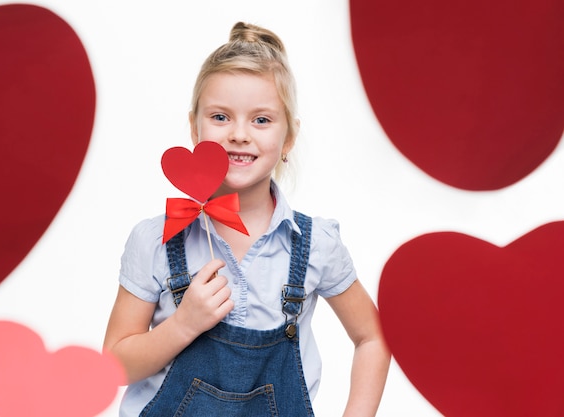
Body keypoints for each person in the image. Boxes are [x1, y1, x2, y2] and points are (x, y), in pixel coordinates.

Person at [103, 21, 390, 417]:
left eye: (261, 120)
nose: (239, 134)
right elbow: (113, 364)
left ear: (289, 137)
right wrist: (183, 325)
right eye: (220, 117)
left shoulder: (315, 244)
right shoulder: (156, 238)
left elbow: (372, 338)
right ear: (194, 127)